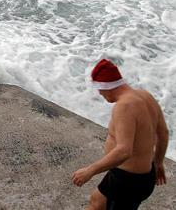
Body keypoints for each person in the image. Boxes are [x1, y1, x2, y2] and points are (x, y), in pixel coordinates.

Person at [72, 59, 169, 210]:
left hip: (128, 182)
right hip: (139, 176)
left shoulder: (124, 106)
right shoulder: (145, 96)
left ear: (106, 87)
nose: (99, 93)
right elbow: (163, 134)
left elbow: (124, 151)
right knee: (96, 202)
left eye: (99, 89)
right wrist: (158, 162)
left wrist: (89, 171)